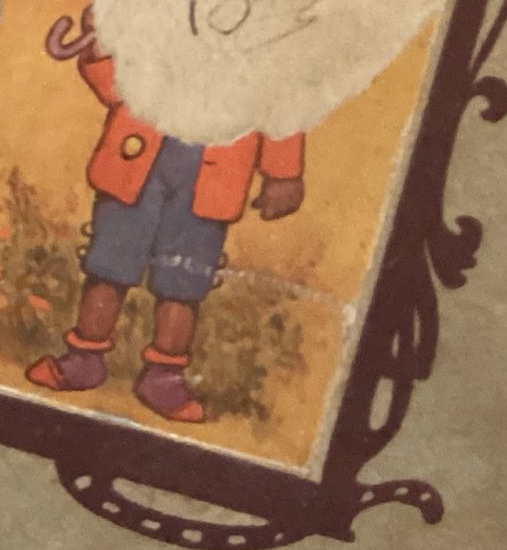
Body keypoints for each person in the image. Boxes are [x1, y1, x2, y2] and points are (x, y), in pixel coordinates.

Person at [27, 33, 305, 425]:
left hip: (213, 180)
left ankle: (163, 376)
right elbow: (115, 88)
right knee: (110, 264)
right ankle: (84, 357)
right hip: (135, 162)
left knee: (184, 279)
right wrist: (98, 49)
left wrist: (284, 174)